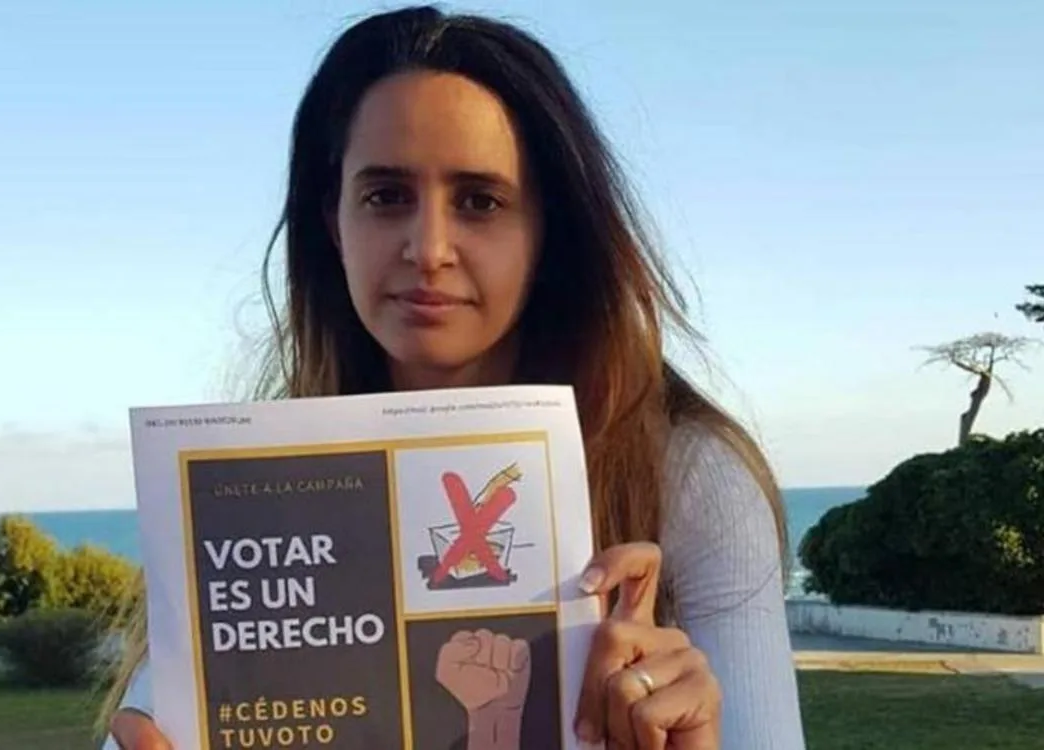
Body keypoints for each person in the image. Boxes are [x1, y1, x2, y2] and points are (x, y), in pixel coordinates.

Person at [97, 5, 806, 749]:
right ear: (334, 222)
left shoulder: (690, 475)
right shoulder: (251, 489)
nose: (428, 248)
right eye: (386, 196)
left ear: (548, 229)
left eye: (480, 201)